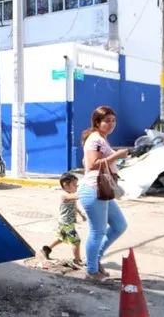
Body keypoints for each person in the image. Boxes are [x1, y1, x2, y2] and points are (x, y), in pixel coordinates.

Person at [78, 105, 129, 282]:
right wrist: (117, 156)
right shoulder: (95, 139)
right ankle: (91, 271)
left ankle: (95, 259)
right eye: (106, 121)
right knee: (97, 231)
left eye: (113, 120)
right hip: (93, 189)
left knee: (119, 225)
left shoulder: (101, 139)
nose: (111, 124)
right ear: (97, 122)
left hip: (102, 190)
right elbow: (92, 165)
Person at [41, 172, 86, 266]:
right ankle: (77, 260)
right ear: (66, 185)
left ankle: (46, 249)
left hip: (65, 223)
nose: (76, 187)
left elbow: (74, 205)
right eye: (74, 185)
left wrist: (81, 214)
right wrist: (86, 190)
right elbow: (76, 197)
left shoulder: (70, 194)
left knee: (61, 238)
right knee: (76, 241)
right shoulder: (65, 195)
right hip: (66, 223)